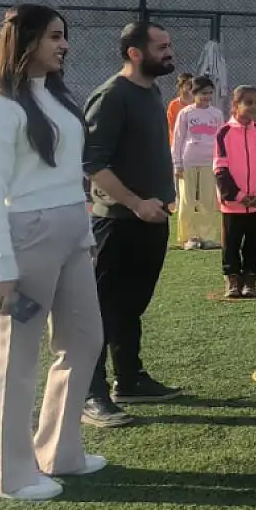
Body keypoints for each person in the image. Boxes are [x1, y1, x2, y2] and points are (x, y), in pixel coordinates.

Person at [0, 5, 103, 501]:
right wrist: (0, 267)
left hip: (71, 232)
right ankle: (10, 475)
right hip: (28, 238)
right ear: (24, 42)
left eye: (64, 36)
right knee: (17, 357)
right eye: (53, 37)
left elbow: (67, 174)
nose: (63, 45)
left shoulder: (58, 100)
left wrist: (84, 235)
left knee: (85, 339)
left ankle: (60, 452)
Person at [82, 21, 180, 429]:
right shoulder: (111, 96)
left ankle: (129, 378)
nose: (169, 52)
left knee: (130, 307)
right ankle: (90, 393)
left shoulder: (151, 91)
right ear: (135, 53)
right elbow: (92, 163)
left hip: (152, 220)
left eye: (169, 45)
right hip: (118, 223)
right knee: (102, 311)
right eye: (161, 47)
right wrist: (136, 203)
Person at [214, 85, 256, 299]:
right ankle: (232, 277)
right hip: (234, 204)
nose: (253, 107)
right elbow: (220, 168)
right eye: (248, 102)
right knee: (231, 243)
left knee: (255, 244)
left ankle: (250, 277)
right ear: (235, 105)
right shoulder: (224, 133)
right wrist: (237, 196)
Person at [169, 77, 223, 250]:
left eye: (209, 93)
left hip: (209, 162)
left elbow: (221, 140)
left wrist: (220, 161)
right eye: (202, 93)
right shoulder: (186, 113)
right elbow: (177, 139)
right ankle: (187, 237)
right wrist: (177, 163)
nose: (206, 97)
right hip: (188, 162)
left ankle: (207, 237)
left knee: (208, 200)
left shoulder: (216, 114)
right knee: (187, 200)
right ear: (194, 94)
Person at [165, 73, 194, 143]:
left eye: (193, 84)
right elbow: (171, 127)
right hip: (178, 142)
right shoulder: (173, 105)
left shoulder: (197, 104)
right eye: (188, 84)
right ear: (180, 86)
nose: (191, 87)